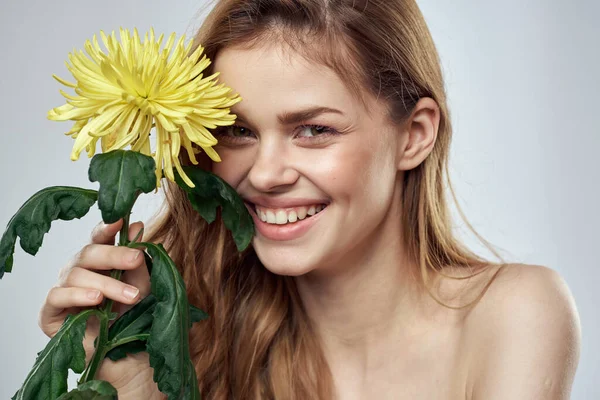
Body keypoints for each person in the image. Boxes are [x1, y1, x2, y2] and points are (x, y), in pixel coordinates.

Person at [37, 0, 581, 399]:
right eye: (238, 132)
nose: (267, 174)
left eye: (314, 130)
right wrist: (136, 387)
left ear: (414, 135)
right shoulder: (196, 348)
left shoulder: (512, 314)